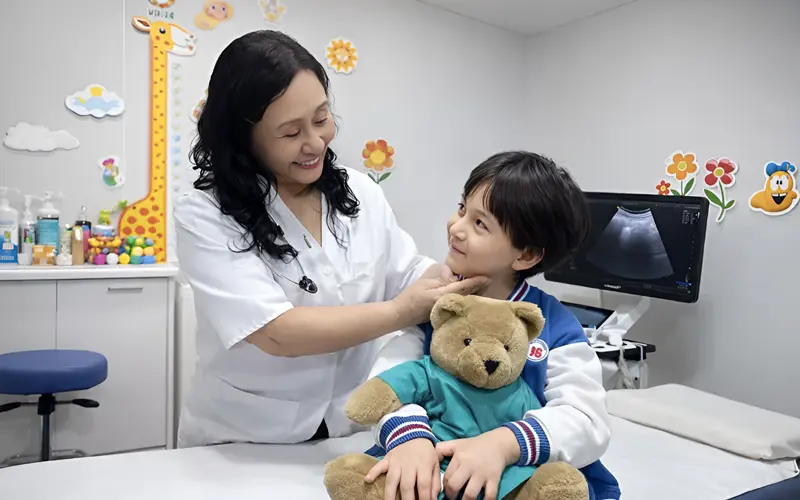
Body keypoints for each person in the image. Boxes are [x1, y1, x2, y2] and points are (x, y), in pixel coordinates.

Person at [173, 29, 488, 448]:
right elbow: (276, 332)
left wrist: (464, 272)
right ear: (243, 140)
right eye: (290, 133)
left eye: (321, 118)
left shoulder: (360, 192)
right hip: (244, 438)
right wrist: (401, 311)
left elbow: (407, 271)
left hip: (347, 428)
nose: (315, 142)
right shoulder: (206, 212)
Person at [363, 152, 621, 500]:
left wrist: (504, 444)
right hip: (433, 460)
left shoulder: (554, 325)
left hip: (515, 472)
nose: (456, 227)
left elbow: (586, 419)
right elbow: (390, 376)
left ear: (526, 255)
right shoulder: (437, 305)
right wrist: (410, 438)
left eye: (480, 224)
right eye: (461, 208)